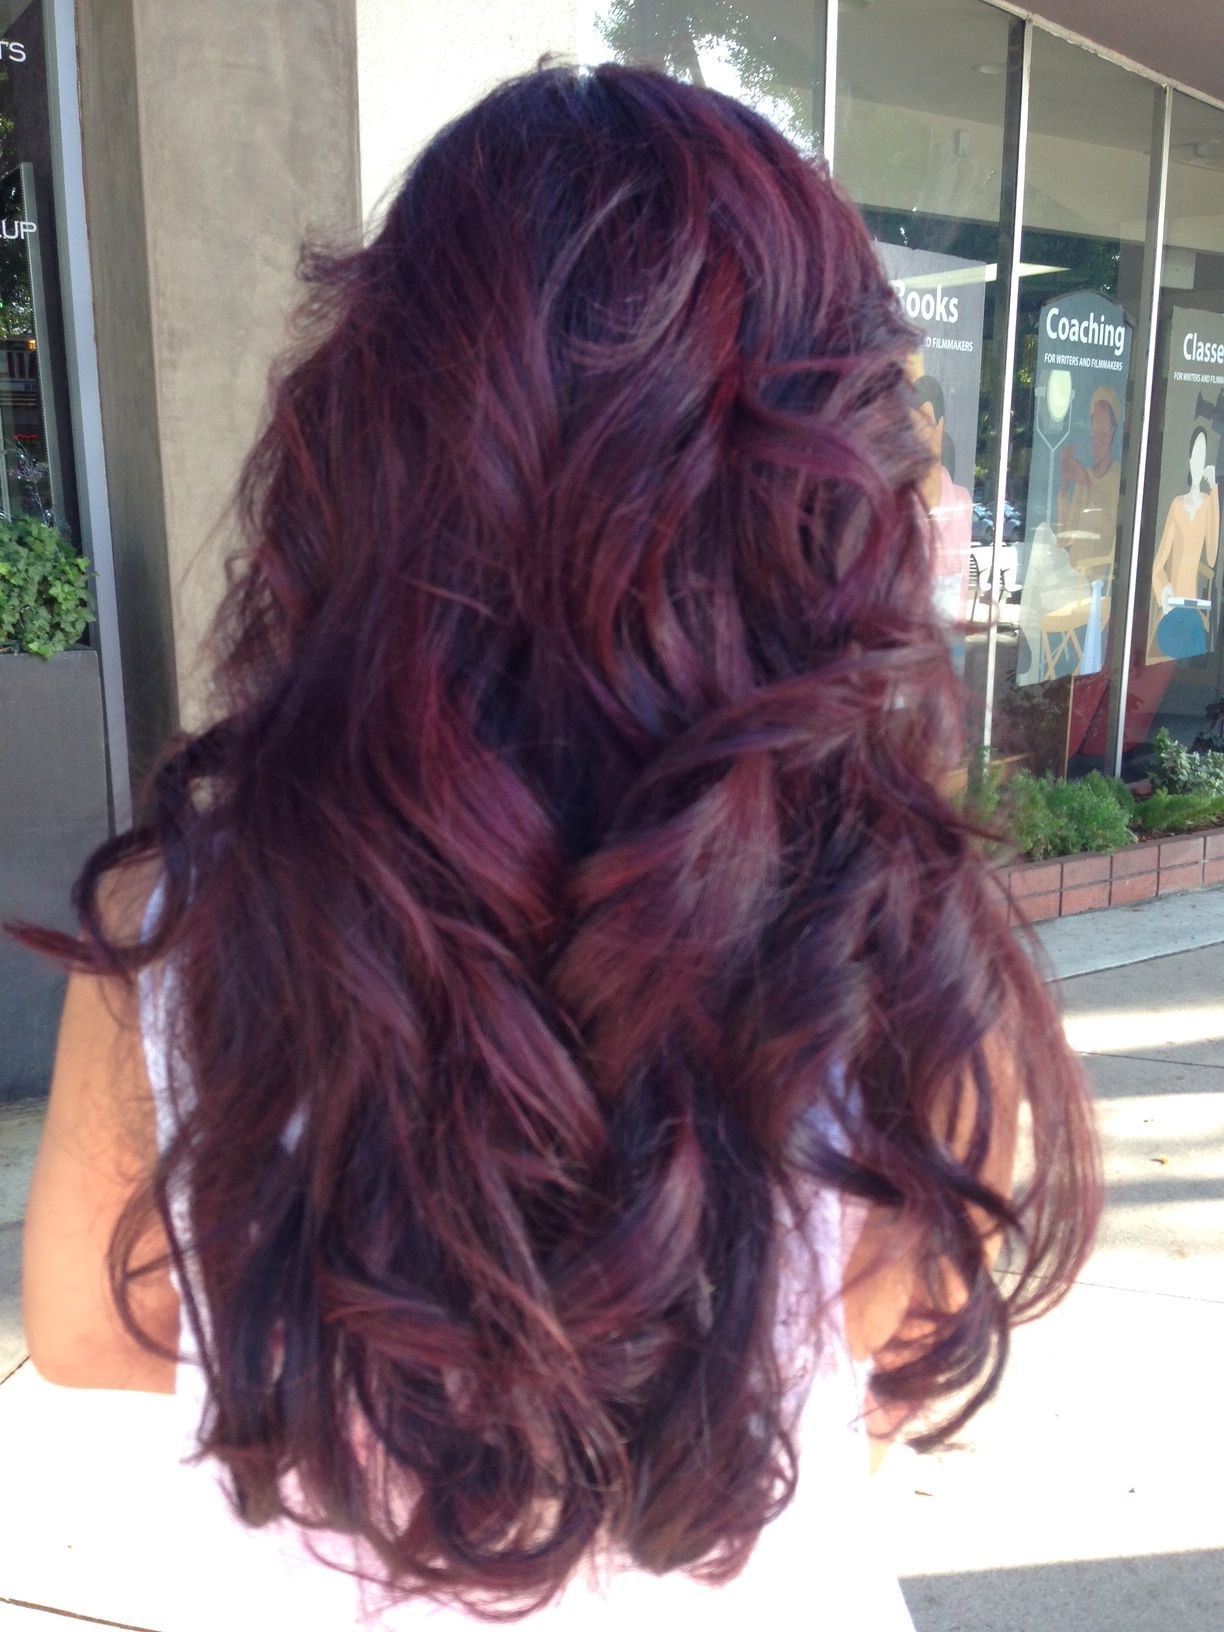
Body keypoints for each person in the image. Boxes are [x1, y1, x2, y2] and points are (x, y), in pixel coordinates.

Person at [14, 64, 1100, 1628]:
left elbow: (85, 1329)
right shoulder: (892, 930)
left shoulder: (188, 912)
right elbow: (887, 1358)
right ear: (821, 494)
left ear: (368, 461)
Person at [1149, 424, 1220, 663]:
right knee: (1173, 647)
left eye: (1203, 455)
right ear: (1190, 459)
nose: (1199, 461)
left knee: (1192, 649)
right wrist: (1164, 593)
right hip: (1172, 604)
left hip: (1193, 608)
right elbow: (1157, 565)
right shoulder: (1177, 505)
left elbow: (1211, 556)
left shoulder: (1209, 503)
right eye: (1196, 455)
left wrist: (1215, 492)